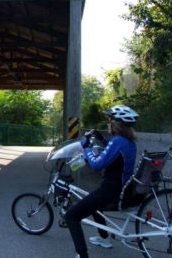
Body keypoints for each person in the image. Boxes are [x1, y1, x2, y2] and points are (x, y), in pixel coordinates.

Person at [65, 105, 139, 258]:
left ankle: (82, 255)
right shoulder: (128, 141)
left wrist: (87, 149)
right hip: (120, 188)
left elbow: (97, 164)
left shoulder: (118, 141)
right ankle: (104, 238)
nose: (108, 122)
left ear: (115, 123)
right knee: (93, 204)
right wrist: (101, 139)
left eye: (109, 120)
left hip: (110, 190)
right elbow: (114, 153)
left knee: (71, 216)